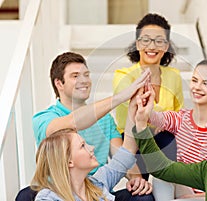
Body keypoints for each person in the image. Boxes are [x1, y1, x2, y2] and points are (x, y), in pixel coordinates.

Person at [32, 52, 154, 200]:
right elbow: (74, 121)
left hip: (93, 187)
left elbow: (123, 154)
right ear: (59, 83)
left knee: (142, 195)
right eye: (75, 76)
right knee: (26, 195)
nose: (84, 81)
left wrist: (136, 179)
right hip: (59, 188)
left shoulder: (100, 180)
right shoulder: (44, 119)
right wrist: (122, 96)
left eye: (86, 75)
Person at [113, 13, 184, 178]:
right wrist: (161, 119)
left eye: (159, 41)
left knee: (169, 141)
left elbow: (180, 114)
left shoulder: (173, 75)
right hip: (132, 138)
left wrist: (164, 121)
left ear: (166, 46)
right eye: (146, 40)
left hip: (163, 139)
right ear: (138, 44)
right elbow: (137, 108)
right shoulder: (122, 75)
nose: (152, 46)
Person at [146, 59, 207, 200]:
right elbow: (150, 117)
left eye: (206, 83)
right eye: (195, 80)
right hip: (184, 190)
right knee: (160, 175)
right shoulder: (180, 119)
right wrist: (147, 99)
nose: (197, 87)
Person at [31, 128, 150, 201]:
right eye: (83, 146)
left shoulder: (98, 183)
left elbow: (127, 151)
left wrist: (136, 112)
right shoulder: (48, 198)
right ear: (69, 161)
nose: (92, 148)